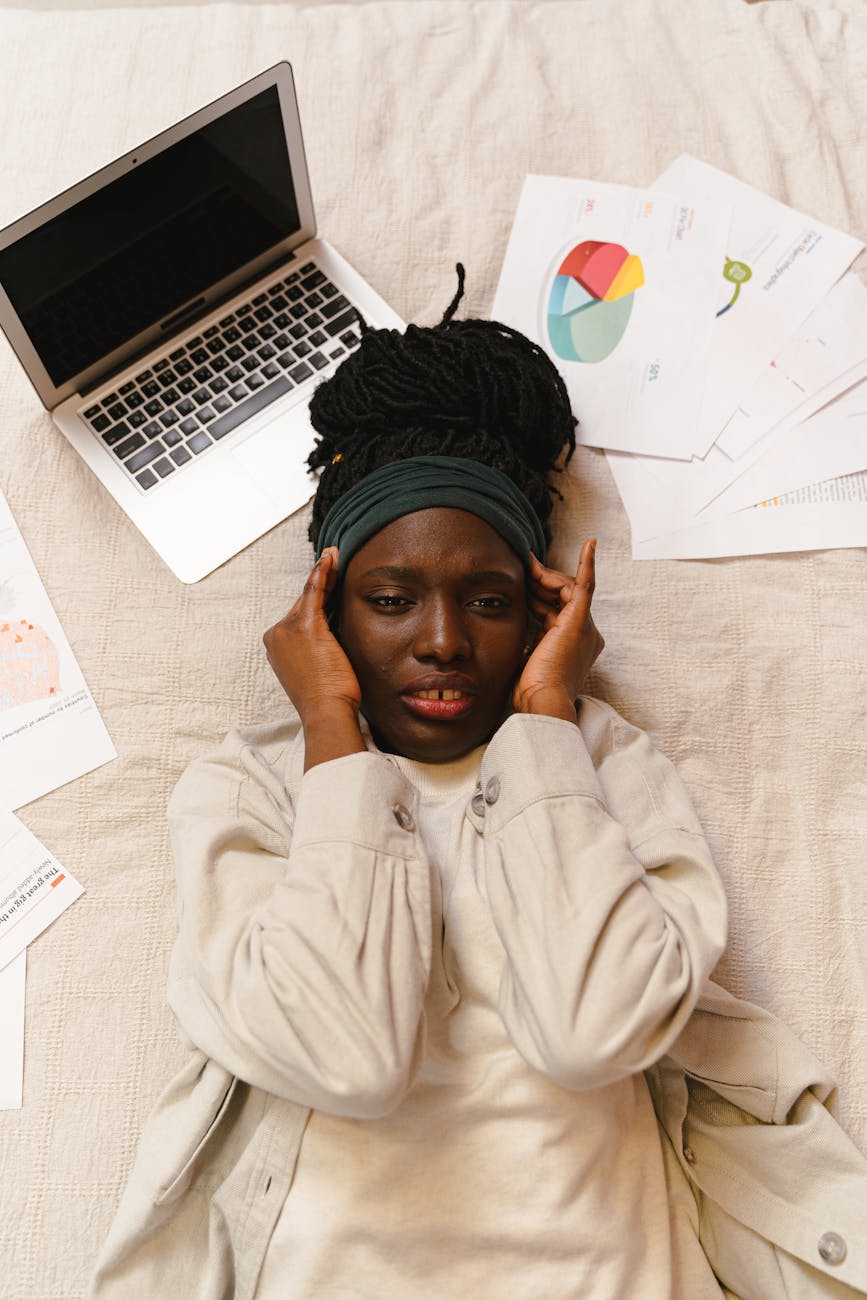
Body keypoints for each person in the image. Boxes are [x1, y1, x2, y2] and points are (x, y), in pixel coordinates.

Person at [91, 271, 867, 1298]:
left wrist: (547, 720)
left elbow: (595, 1033)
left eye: (490, 601)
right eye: (391, 599)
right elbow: (345, 1055)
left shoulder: (601, 760)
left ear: (544, 614)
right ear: (325, 612)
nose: (444, 641)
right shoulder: (253, 788)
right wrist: (332, 735)